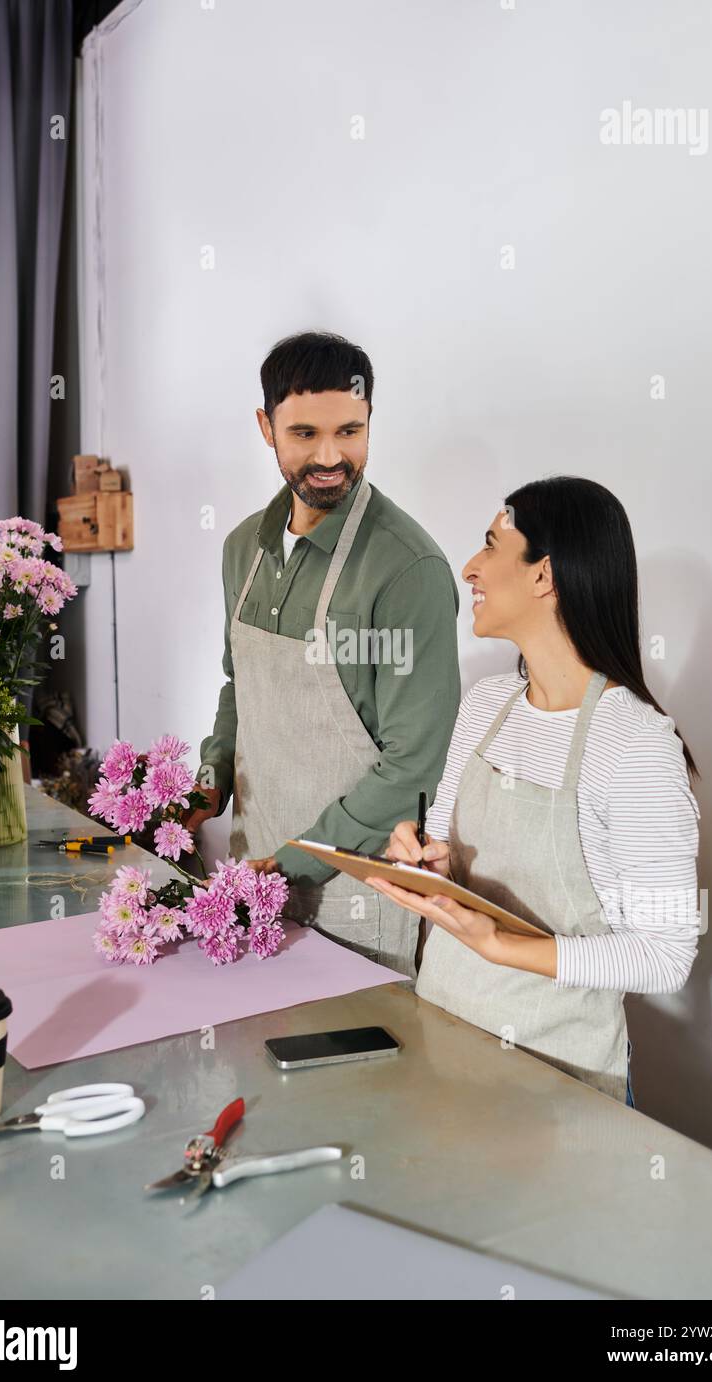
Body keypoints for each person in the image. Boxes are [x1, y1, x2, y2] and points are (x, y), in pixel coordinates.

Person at [367, 477, 701, 1104]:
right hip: (443, 1034)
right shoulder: (486, 704)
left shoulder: (635, 744)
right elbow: (443, 846)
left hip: (558, 1079)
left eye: (490, 546)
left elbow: (665, 955)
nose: (470, 567)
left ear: (544, 575)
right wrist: (425, 856)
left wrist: (504, 945)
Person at [185, 331, 461, 976]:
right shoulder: (241, 550)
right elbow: (240, 687)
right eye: (305, 434)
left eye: (351, 431)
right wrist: (210, 778)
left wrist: (295, 861)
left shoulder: (406, 569)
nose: (331, 456)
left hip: (358, 890)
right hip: (256, 866)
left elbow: (418, 765)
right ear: (266, 427)